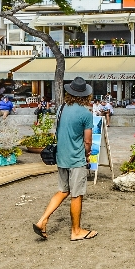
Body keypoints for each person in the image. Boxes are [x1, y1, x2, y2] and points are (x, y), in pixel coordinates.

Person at [34, 77, 97, 241]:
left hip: (61, 156)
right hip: (76, 158)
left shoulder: (61, 108)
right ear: (85, 95)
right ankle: (76, 231)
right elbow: (88, 141)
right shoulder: (86, 114)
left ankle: (42, 220)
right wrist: (87, 154)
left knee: (63, 190)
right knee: (77, 194)